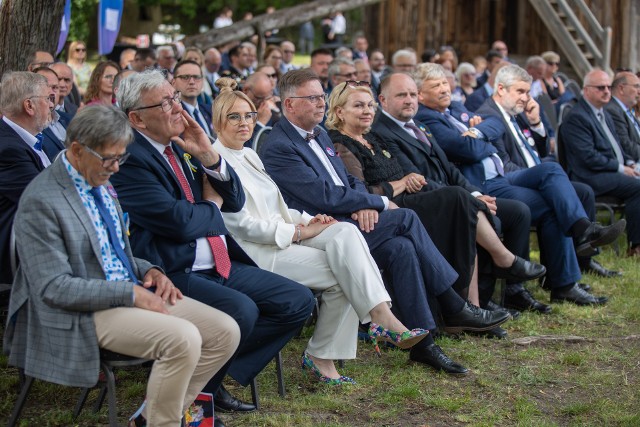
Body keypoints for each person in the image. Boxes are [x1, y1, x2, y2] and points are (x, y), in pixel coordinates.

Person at [262, 69, 510, 375]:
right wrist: (377, 202)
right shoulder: (279, 146)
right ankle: (453, 304)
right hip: (319, 232)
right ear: (289, 105)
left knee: (401, 248)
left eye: (321, 96)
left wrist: (362, 203)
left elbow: (348, 182)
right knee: (405, 217)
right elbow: (323, 196)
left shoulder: (320, 134)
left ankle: (424, 345)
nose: (320, 104)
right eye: (312, 98)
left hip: (348, 222)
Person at [4, 105, 240, 427]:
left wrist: (149, 271)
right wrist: (129, 293)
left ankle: (150, 418)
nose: (116, 168)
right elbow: (53, 288)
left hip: (125, 291)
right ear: (76, 150)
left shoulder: (97, 178)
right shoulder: (42, 200)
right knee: (183, 338)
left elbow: (116, 251)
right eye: (110, 159)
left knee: (224, 331)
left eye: (121, 158)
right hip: (79, 310)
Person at [111, 69, 315, 414]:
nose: (178, 108)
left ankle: (210, 378)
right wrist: (211, 205)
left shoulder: (180, 146)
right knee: (241, 310)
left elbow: (233, 200)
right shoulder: (132, 159)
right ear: (137, 119)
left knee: (297, 300)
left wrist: (208, 155)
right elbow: (180, 223)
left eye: (175, 97)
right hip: (172, 268)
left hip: (218, 261)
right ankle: (202, 390)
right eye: (165, 103)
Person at [212, 77, 427, 383]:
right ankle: (346, 340)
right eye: (234, 117)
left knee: (344, 233)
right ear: (218, 120)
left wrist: (307, 219)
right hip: (254, 253)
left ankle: (359, 330)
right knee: (346, 272)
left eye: (248, 115)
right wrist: (300, 233)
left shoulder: (249, 153)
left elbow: (277, 207)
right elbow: (239, 225)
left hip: (284, 236)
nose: (244, 123)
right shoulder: (215, 161)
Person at [327, 81, 546, 328]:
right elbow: (361, 191)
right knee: (459, 200)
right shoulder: (340, 144)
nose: (367, 111)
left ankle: (474, 306)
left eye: (369, 105)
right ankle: (496, 268)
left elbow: (412, 175)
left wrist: (410, 181)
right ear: (339, 112)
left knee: (464, 206)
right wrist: (400, 184)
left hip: (407, 200)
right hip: (388, 209)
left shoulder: (372, 137)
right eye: (358, 106)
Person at [412, 64, 620, 305]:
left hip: (503, 175)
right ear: (420, 95)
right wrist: (483, 140)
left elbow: (494, 124)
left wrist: (477, 133)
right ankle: (566, 263)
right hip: (484, 182)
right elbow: (465, 149)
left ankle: (566, 275)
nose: (444, 89)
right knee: (553, 193)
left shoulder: (456, 108)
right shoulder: (428, 118)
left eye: (445, 84)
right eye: (435, 86)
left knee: (554, 181)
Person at [559, 69, 640, 257]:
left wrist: (629, 164)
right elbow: (587, 157)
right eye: (600, 87)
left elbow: (617, 148)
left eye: (608, 87)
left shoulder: (603, 113)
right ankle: (636, 247)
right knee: (637, 187)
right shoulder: (577, 117)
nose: (606, 91)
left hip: (609, 171)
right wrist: (620, 168)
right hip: (589, 177)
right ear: (586, 90)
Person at [0, 72, 55, 285]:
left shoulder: (30, 139)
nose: (52, 105)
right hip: (18, 258)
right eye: (47, 99)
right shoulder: (8, 149)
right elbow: (46, 202)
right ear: (29, 106)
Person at [34, 67, 72, 162]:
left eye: (55, 88)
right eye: (45, 87)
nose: (51, 93)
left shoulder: (70, 119)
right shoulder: (31, 126)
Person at [171, 60, 214, 138]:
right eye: (185, 77)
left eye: (196, 77)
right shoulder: (172, 115)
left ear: (202, 81)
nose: (191, 82)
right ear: (173, 83)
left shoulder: (210, 111)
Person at [604, 71, 640, 162]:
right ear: (621, 89)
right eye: (636, 86)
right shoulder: (613, 110)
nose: (639, 91)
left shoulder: (624, 109)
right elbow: (626, 146)